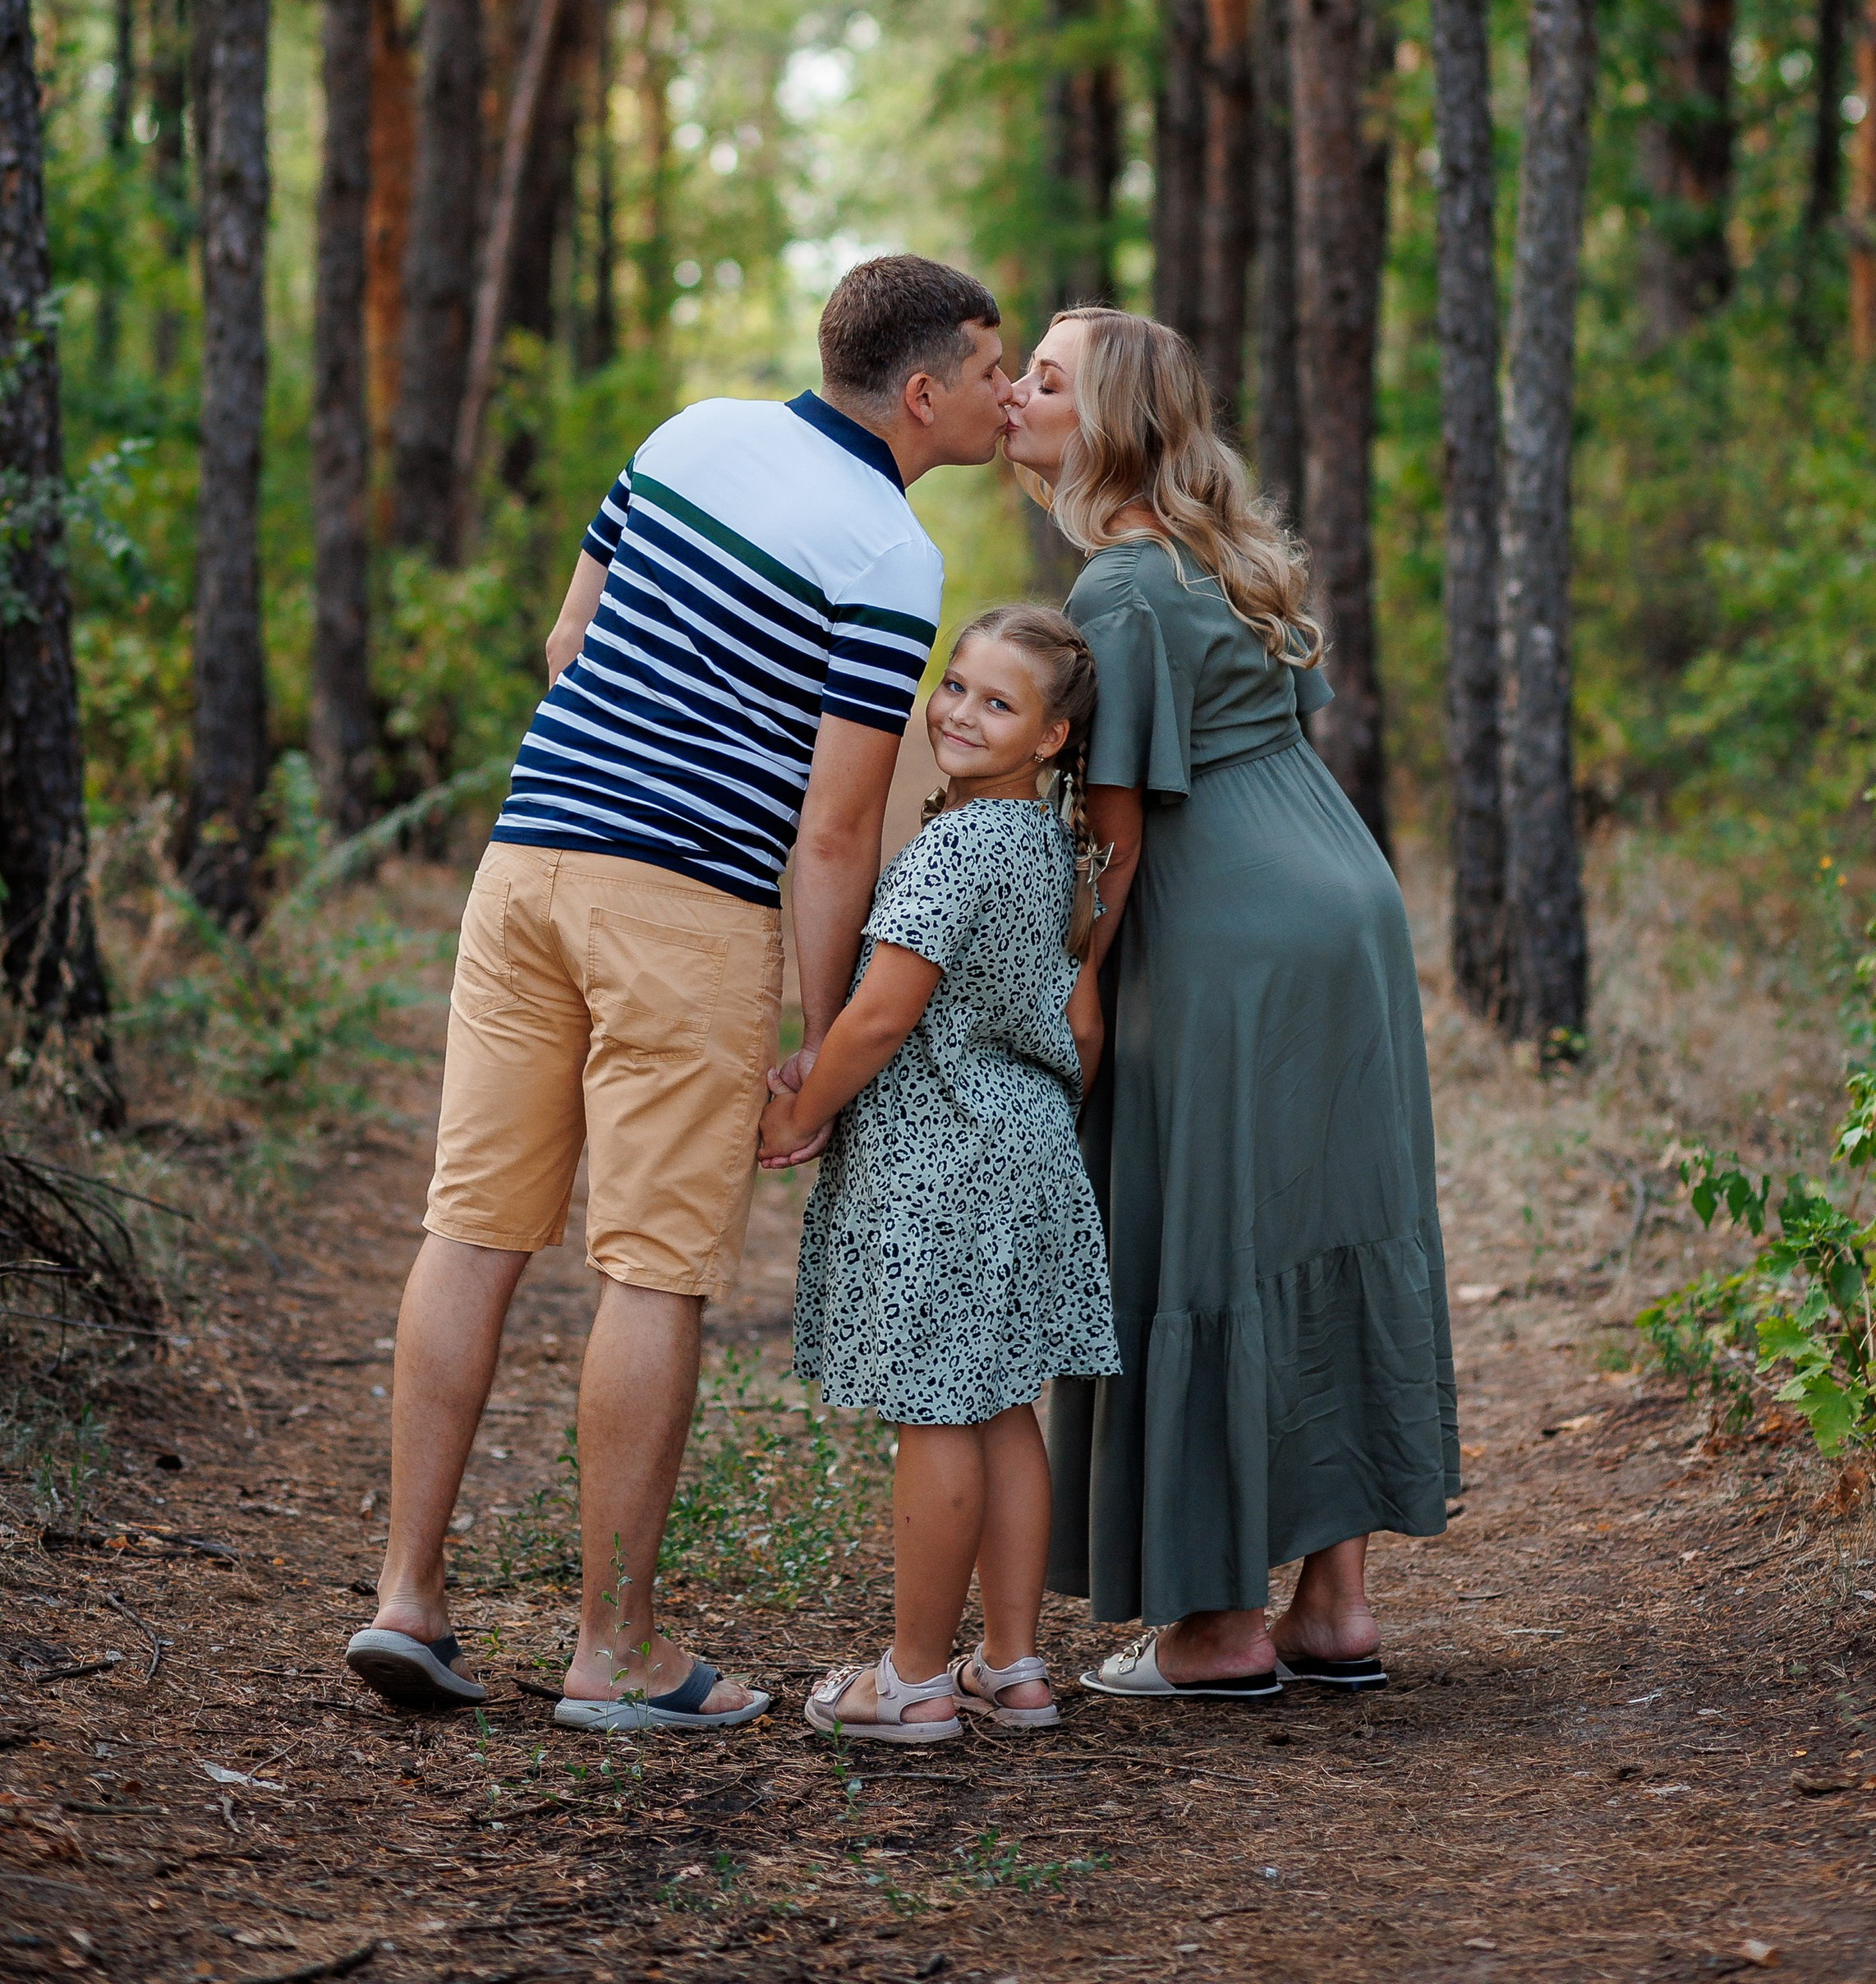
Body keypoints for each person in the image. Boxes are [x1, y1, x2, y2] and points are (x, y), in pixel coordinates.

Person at [346, 255, 1010, 1731]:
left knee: (470, 1227)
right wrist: (824, 1038)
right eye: (988, 363)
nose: (1003, 387)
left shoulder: (686, 434)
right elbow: (835, 831)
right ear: (921, 393)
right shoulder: (890, 555)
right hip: (687, 909)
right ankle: (616, 1650)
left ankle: (407, 1598)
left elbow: (566, 641)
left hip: (524, 869)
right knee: (652, 1269)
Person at [1002, 307, 1459, 1701]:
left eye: (1045, 379)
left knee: (1198, 1232)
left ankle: (1213, 1627)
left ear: (1111, 423)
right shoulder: (1220, 553)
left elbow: (1119, 827)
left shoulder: (1119, 591)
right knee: (1322, 1223)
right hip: (1343, 906)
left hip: (1230, 938)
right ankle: (1333, 1606)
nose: (1014, 395)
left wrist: (1075, 984)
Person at [761, 606, 1120, 1741]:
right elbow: (1082, 1019)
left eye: (998, 702)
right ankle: (1011, 1666)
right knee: (1007, 1404)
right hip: (1026, 1143)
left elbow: (877, 1019)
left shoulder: (960, 848)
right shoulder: (1047, 846)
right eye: (954, 685)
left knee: (937, 1410)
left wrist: (796, 1114)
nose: (960, 712)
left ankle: (912, 1681)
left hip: (942, 1157)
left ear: (1052, 736)